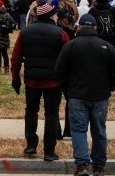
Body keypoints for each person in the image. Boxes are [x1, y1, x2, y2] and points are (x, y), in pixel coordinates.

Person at [55, 14, 115, 176]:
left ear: (79, 26)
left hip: (76, 95)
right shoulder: (107, 47)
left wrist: (68, 91)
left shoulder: (70, 46)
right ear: (96, 27)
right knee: (99, 131)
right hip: (101, 96)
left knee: (79, 131)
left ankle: (82, 165)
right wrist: (109, 88)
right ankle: (99, 167)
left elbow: (60, 72)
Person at [11, 0, 69, 162]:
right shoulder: (61, 33)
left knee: (31, 110)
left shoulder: (25, 31)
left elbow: (16, 58)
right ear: (51, 16)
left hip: (32, 79)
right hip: (53, 81)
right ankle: (49, 151)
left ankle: (31, 144)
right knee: (51, 114)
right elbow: (68, 57)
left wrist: (16, 78)